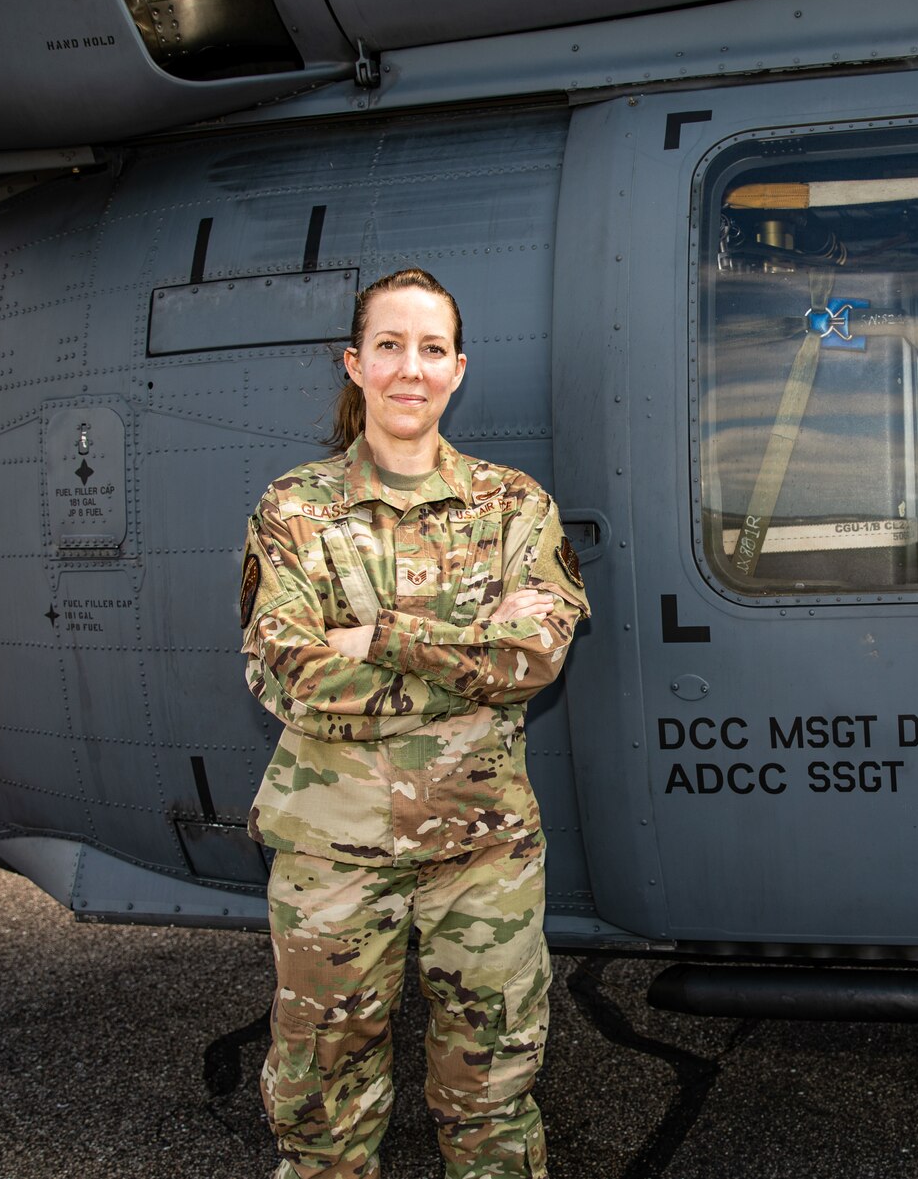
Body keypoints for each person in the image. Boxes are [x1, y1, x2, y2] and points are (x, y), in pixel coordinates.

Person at [239, 267, 588, 1179]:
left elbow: (536, 658)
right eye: (389, 346)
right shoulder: (293, 511)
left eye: (431, 349)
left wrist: (383, 636)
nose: (410, 368)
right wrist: (469, 671)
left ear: (458, 369)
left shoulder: (516, 507)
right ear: (353, 364)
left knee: (494, 1101)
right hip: (333, 861)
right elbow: (291, 675)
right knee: (321, 1109)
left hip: (484, 856)